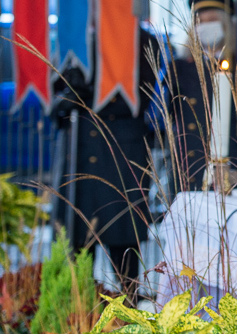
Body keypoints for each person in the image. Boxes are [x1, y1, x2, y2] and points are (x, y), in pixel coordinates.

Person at [51, 24, 161, 303]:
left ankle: (129, 313)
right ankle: (78, 315)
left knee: (123, 245)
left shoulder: (142, 40)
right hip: (78, 151)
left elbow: (139, 97)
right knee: (76, 245)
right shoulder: (73, 31)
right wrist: (63, 97)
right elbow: (51, 85)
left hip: (119, 154)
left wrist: (90, 94)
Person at [161, 0, 237, 194]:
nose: (204, 27)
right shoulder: (179, 67)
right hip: (190, 161)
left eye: (211, 20)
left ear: (226, 23)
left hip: (233, 161)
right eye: (199, 22)